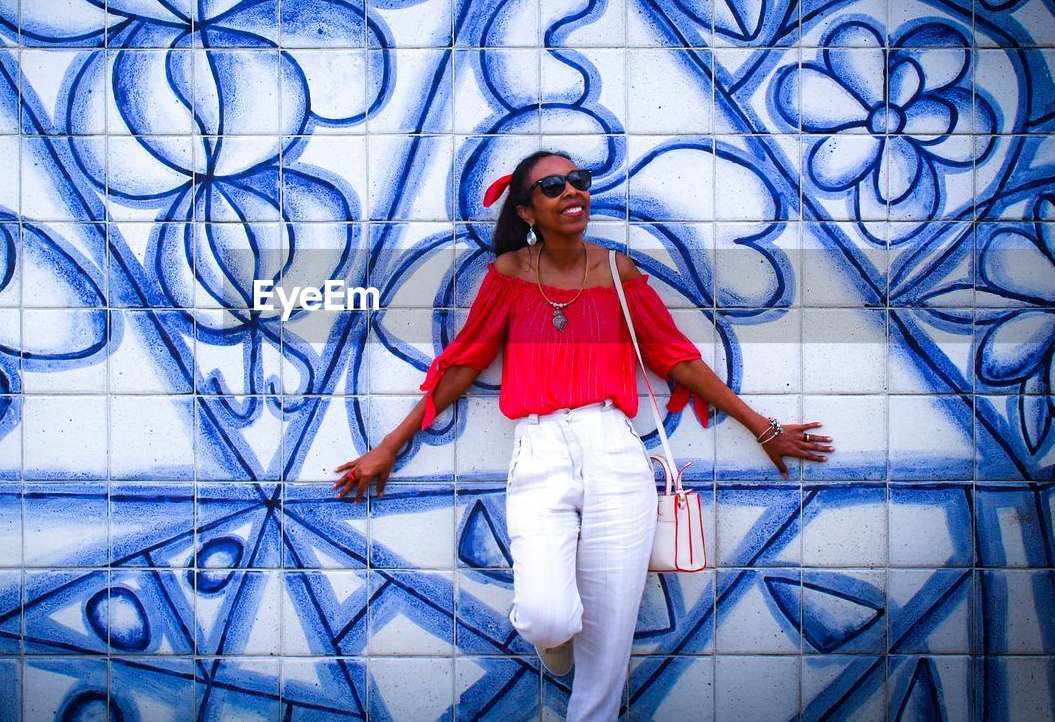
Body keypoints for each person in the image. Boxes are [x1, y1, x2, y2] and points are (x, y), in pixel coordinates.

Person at [334, 151, 831, 720]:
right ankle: (556, 644)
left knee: (609, 645)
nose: (572, 191)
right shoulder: (509, 275)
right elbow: (467, 362)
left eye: (579, 180)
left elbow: (676, 360)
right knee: (548, 616)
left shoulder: (617, 273)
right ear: (527, 209)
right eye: (552, 186)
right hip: (539, 450)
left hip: (615, 451)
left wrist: (761, 427)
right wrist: (390, 445)